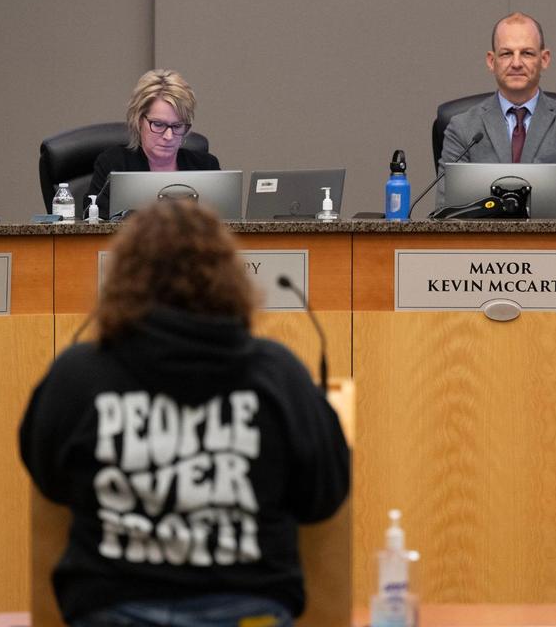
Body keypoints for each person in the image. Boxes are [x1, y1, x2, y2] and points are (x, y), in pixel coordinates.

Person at [19, 199, 349, 627]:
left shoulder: (79, 374)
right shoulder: (277, 374)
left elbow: (48, 477)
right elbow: (324, 495)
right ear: (230, 279)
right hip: (248, 607)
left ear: (122, 280)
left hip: (112, 606)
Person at [438, 12, 556, 219]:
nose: (516, 63)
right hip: (481, 241)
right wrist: (554, 198)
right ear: (491, 61)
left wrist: (493, 209)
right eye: (506, 54)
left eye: (527, 53)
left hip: (551, 241)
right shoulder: (462, 128)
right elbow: (448, 210)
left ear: (544, 59)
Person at [86, 69, 220, 217]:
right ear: (138, 120)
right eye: (158, 124)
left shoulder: (206, 166)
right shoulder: (114, 164)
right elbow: (91, 222)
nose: (168, 136)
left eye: (177, 126)